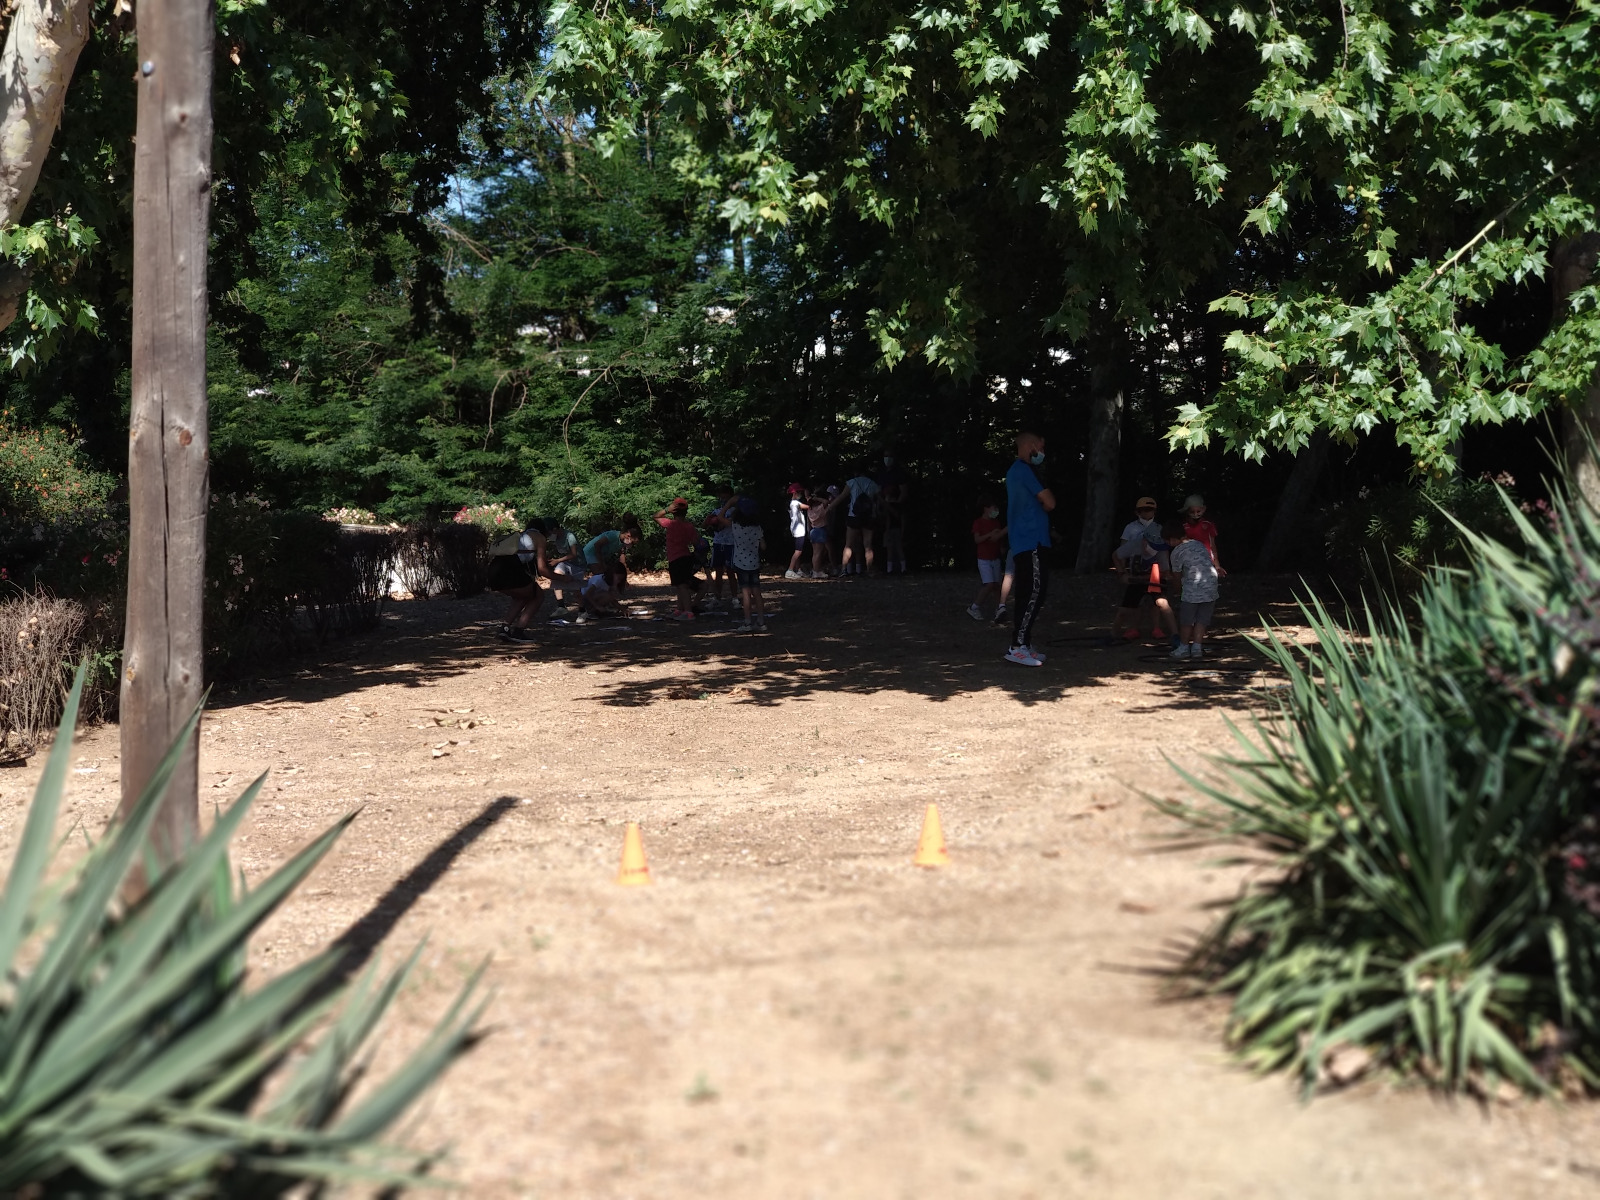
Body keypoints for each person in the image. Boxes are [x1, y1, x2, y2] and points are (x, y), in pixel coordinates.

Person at [1003, 432, 1054, 666]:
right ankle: (1017, 646)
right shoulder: (1025, 470)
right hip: (1031, 539)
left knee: (1029, 591)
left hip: (1026, 540)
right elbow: (1050, 502)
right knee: (1034, 591)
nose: (1042, 452)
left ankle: (1024, 643)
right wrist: (1045, 501)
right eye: (1041, 447)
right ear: (1031, 445)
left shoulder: (1015, 471)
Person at [1110, 497, 1177, 645]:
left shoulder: (1160, 540)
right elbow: (1117, 555)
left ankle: (1175, 635)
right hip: (1136, 575)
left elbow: (1165, 564)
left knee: (1162, 603)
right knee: (1125, 608)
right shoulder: (1133, 540)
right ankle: (1113, 635)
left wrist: (1167, 574)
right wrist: (1122, 573)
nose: (1147, 513)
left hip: (1154, 575)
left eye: (1150, 510)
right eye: (1143, 510)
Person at [487, 518, 558, 641]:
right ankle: (519, 631)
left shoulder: (521, 536)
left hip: (493, 571)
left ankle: (505, 628)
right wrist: (563, 578)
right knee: (538, 595)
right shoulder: (539, 537)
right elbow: (542, 569)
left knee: (523, 595)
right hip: (509, 570)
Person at [1165, 519, 1220, 659]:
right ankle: (1197, 648)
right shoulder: (1198, 544)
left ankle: (1184, 647)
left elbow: (1177, 576)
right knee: (1202, 618)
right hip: (1211, 584)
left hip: (1193, 587)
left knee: (1187, 620)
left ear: (1172, 539)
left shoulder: (1176, 552)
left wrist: (1178, 590)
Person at [655, 497, 705, 620]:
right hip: (685, 557)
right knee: (680, 585)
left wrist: (666, 510)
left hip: (676, 558)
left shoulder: (670, 524)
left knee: (682, 586)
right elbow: (696, 542)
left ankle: (688, 612)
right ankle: (680, 609)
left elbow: (655, 516)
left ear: (674, 511)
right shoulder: (689, 526)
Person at [729, 496, 767, 631]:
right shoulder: (757, 528)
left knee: (745, 592)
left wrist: (729, 503)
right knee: (757, 592)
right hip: (754, 563)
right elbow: (763, 547)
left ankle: (747, 622)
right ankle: (761, 622)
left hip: (740, 563)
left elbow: (720, 518)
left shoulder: (735, 526)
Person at [968, 496, 1006, 620]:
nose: (996, 510)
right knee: (989, 584)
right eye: (994, 508)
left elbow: (1000, 538)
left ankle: (999, 609)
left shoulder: (996, 522)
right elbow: (977, 539)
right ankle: (974, 607)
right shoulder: (978, 522)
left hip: (995, 558)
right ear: (986, 508)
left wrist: (1001, 547)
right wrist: (990, 534)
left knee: (996, 586)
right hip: (984, 559)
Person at [583, 515, 641, 595]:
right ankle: (592, 594)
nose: (632, 545)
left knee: (607, 574)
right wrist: (601, 563)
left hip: (599, 556)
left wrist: (623, 576)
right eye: (633, 542)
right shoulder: (613, 535)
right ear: (628, 535)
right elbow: (597, 545)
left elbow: (622, 557)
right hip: (591, 553)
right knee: (600, 574)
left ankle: (603, 594)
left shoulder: (622, 543)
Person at [838, 469, 880, 576]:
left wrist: (830, 508)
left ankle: (844, 569)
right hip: (869, 516)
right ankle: (869, 570)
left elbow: (842, 497)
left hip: (854, 515)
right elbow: (878, 501)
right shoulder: (873, 484)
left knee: (848, 545)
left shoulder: (852, 482)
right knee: (868, 545)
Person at [703, 487, 738, 607]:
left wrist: (719, 520)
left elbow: (727, 523)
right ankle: (717, 597)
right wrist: (709, 520)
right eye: (721, 496)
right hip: (718, 543)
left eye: (725, 496)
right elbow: (704, 525)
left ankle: (735, 598)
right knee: (718, 571)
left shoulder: (734, 511)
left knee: (730, 571)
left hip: (730, 544)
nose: (722, 499)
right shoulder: (716, 511)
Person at [876, 451, 909, 574]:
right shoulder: (881, 474)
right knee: (889, 547)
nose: (887, 459)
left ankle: (901, 567)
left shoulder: (899, 474)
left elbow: (904, 493)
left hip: (895, 517)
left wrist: (894, 504)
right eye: (885, 456)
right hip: (886, 520)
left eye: (889, 456)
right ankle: (890, 568)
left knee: (898, 547)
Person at [1182, 494, 1225, 576]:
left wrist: (1217, 565)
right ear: (1187, 511)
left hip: (1207, 559)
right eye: (1192, 512)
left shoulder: (1208, 525)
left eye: (1198, 511)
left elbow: (1213, 545)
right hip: (1190, 560)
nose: (1195, 514)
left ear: (1203, 509)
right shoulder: (1184, 526)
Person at [807, 486, 836, 577]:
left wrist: (813, 498)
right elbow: (826, 502)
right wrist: (818, 498)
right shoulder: (820, 508)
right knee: (819, 553)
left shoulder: (810, 508)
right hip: (820, 530)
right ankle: (817, 571)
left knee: (815, 552)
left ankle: (816, 569)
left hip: (813, 530)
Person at [784, 483, 811, 579]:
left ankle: (798, 569)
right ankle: (790, 570)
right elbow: (808, 507)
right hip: (799, 530)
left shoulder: (792, 504)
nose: (801, 494)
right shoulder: (795, 503)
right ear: (795, 493)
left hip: (795, 529)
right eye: (799, 492)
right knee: (798, 551)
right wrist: (808, 497)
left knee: (798, 550)